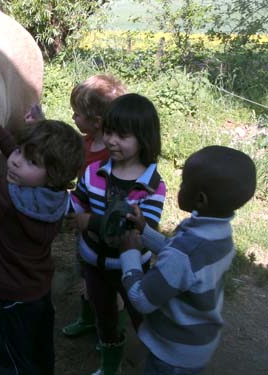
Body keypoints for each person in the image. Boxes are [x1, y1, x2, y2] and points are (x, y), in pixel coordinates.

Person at [0, 89, 85, 374]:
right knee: (40, 351)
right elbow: (25, 161)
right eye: (20, 151)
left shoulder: (9, 201)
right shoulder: (56, 195)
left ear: (52, 174)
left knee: (13, 360)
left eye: (30, 161)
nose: (17, 160)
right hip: (38, 293)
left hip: (9, 300)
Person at [119, 145, 257, 375]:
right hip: (197, 343)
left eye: (184, 183)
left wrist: (129, 254)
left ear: (200, 199)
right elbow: (177, 254)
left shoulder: (185, 253)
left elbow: (142, 299)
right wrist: (144, 231)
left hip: (173, 353)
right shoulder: (218, 234)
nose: (179, 188)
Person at [69, 93, 166, 375]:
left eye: (122, 135)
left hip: (132, 268)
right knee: (105, 315)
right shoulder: (93, 172)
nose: (111, 140)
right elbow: (79, 199)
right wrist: (63, 205)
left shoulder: (151, 186)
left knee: (141, 314)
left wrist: (90, 222)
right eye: (109, 131)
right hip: (94, 263)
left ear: (144, 139)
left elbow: (138, 232)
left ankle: (160, 357)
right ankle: (110, 365)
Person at [62, 74, 127, 339]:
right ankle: (88, 317)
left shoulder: (115, 155)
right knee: (87, 273)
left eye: (77, 114)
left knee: (110, 278)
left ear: (96, 121)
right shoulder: (87, 143)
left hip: (106, 229)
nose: (74, 118)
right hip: (84, 225)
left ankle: (111, 322)